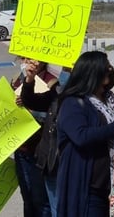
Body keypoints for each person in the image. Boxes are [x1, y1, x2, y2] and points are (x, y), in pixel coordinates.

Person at [57, 51, 114, 217]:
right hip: (88, 187)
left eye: (109, 66)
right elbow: (81, 136)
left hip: (111, 185)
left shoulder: (109, 99)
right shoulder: (73, 103)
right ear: (92, 72)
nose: (109, 69)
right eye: (105, 66)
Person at [19, 61, 71, 217]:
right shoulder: (54, 95)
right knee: (32, 199)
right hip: (42, 156)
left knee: (49, 204)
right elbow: (31, 100)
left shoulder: (57, 85)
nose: (29, 61)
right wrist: (29, 79)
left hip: (63, 159)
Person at [12, 58, 55, 217]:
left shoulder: (51, 82)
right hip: (21, 147)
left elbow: (52, 114)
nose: (27, 62)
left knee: (41, 201)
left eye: (32, 58)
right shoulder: (18, 78)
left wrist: (30, 110)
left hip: (39, 150)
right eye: (24, 58)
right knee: (27, 197)